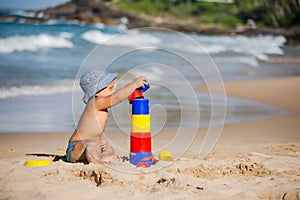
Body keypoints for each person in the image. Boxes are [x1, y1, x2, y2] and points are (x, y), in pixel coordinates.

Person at [66, 68, 148, 165]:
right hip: (76, 147)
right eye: (110, 88)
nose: (112, 91)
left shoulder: (99, 103)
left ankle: (106, 158)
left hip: (89, 144)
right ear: (97, 91)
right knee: (92, 143)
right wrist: (134, 85)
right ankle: (95, 162)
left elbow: (92, 130)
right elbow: (117, 97)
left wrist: (132, 85)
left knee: (108, 148)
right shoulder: (96, 102)